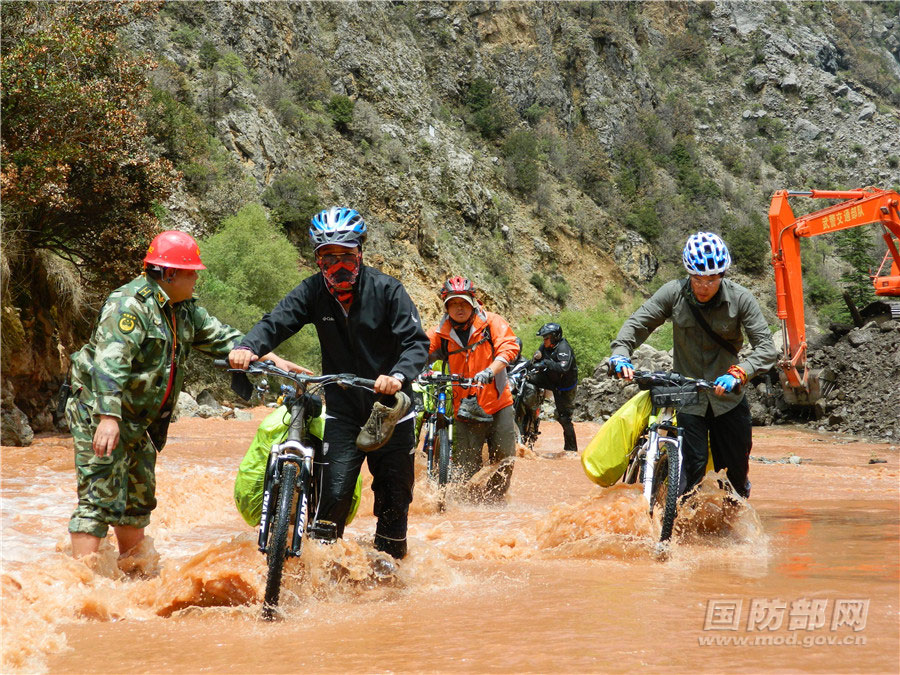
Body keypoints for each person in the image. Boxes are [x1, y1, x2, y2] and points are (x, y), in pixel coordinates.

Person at [66, 231, 293, 560]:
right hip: (100, 413)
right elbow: (109, 364)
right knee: (98, 499)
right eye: (192, 273)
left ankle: (133, 577)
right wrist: (108, 418)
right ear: (169, 274)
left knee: (137, 498)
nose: (196, 279)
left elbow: (224, 338)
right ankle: (82, 587)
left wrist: (267, 356)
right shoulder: (129, 305)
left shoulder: (183, 310)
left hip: (139, 421)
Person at [229, 207, 429, 559]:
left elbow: (416, 343)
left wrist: (397, 376)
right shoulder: (312, 293)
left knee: (394, 502)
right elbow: (276, 322)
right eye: (328, 257)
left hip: (390, 410)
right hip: (342, 410)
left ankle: (393, 584)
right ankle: (322, 577)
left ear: (360, 253)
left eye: (347, 256)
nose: (339, 265)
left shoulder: (388, 290)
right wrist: (247, 347)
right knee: (333, 496)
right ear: (317, 258)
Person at [609, 231, 777, 498]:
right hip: (689, 397)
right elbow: (639, 322)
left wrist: (739, 373)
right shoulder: (673, 293)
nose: (703, 286)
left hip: (729, 399)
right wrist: (620, 353)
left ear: (722, 275)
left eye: (711, 279)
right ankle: (677, 521)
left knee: (734, 472)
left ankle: (733, 522)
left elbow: (767, 348)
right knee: (692, 467)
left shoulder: (741, 299)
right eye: (697, 279)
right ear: (688, 273)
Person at [427, 276, 519, 500]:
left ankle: (495, 502)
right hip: (464, 407)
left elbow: (509, 347)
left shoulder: (492, 323)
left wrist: (491, 370)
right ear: (446, 306)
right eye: (453, 303)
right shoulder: (440, 332)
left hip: (497, 403)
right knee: (466, 468)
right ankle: (467, 509)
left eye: (464, 302)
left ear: (473, 303)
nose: (459, 307)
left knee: (505, 459)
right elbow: (418, 350)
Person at [529, 322, 579, 453]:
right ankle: (529, 416)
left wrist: (545, 362)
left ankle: (571, 450)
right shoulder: (545, 346)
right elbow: (536, 358)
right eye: (543, 338)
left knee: (564, 418)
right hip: (551, 379)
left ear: (555, 337)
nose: (544, 341)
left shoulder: (563, 348)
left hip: (564, 388)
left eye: (546, 338)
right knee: (527, 380)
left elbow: (563, 367)